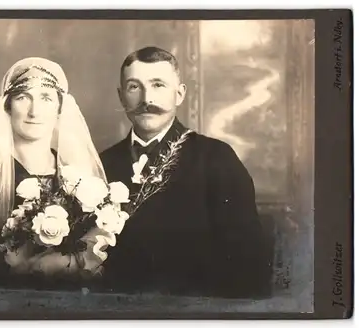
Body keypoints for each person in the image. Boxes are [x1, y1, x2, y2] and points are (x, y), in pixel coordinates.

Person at [98, 46, 273, 298]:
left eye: (158, 85)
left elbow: (247, 264)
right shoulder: (102, 163)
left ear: (179, 94)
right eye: (134, 87)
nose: (147, 99)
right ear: (121, 96)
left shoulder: (216, 158)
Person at [0, 57, 111, 288]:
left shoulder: (83, 183)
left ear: (60, 109)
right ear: (7, 108)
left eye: (46, 98)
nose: (34, 111)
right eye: (23, 97)